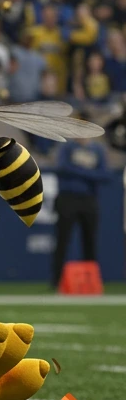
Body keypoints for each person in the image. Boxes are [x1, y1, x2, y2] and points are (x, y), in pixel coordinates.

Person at [50, 123, 115, 287]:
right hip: (68, 198)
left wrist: (79, 170)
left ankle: (90, 281)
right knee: (62, 240)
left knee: (90, 241)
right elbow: (62, 167)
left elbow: (105, 175)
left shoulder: (97, 149)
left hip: (89, 199)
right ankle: (57, 281)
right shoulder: (67, 147)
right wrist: (89, 173)